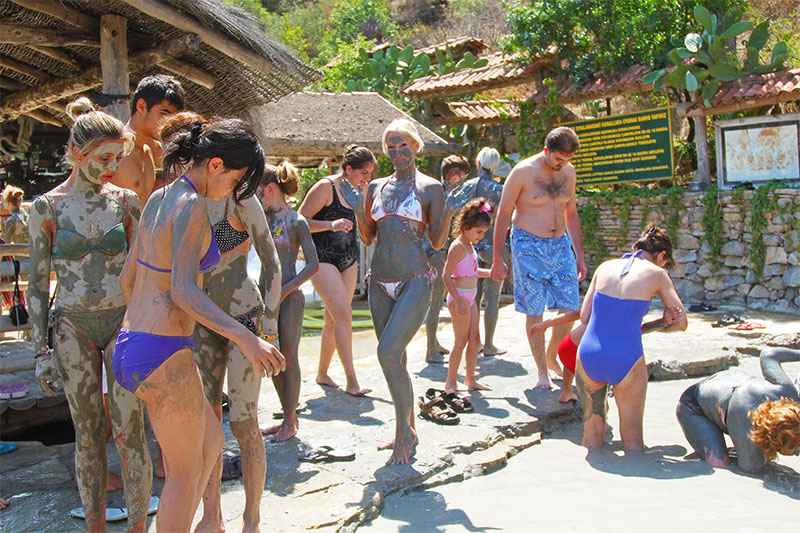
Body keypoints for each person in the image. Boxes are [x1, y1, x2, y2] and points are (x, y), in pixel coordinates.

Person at [113, 118, 285, 531]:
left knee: (210, 444)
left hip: (135, 342)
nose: (235, 191)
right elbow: (184, 291)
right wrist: (248, 338)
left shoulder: (159, 199)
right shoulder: (191, 206)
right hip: (161, 350)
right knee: (185, 477)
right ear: (215, 165)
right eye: (237, 180)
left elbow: (127, 280)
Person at [29, 98, 151, 532]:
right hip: (73, 324)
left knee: (131, 431)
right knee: (88, 434)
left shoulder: (126, 201)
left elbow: (145, 271)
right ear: (77, 154)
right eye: (104, 158)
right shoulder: (48, 207)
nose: (111, 167)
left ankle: (139, 525)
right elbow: (38, 283)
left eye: (117, 158)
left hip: (121, 320)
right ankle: (95, 526)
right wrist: (39, 351)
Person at [343, 119, 459, 464]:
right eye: (391, 147)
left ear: (416, 147)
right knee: (397, 358)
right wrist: (357, 202)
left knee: (387, 354)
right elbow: (367, 236)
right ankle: (403, 426)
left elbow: (438, 241)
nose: (397, 152)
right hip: (379, 280)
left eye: (403, 145)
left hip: (415, 279)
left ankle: (404, 436)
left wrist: (451, 207)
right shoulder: (376, 186)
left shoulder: (431, 188)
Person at [491, 127, 587, 390]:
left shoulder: (569, 172)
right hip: (527, 243)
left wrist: (579, 255)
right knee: (535, 309)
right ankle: (542, 371)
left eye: (567, 159)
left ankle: (551, 355)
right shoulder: (523, 172)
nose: (563, 164)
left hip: (559, 245)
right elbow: (502, 216)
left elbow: (571, 213)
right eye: (558, 159)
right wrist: (498, 258)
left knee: (570, 307)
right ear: (547, 151)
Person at [576, 225, 687, 452]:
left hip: (589, 354)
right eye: (665, 262)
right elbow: (681, 323)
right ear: (662, 255)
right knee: (633, 442)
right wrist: (659, 323)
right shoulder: (657, 274)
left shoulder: (605, 266)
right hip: (626, 358)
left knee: (591, 437)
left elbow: (584, 317)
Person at [298, 145, 375, 397]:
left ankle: (322, 373)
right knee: (343, 314)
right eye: (363, 172)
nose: (367, 178)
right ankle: (352, 380)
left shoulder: (357, 191)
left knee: (334, 318)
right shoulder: (325, 187)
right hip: (323, 258)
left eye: (370, 173)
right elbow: (298, 222)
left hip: (348, 257)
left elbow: (364, 230)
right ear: (348, 169)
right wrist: (330, 224)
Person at [261, 162, 319, 441]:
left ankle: (290, 419)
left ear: (270, 189)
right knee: (270, 356)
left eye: (259, 192)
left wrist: (285, 290)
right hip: (265, 299)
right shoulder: (260, 219)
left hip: (290, 298)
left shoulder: (296, 221)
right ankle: (286, 414)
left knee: (290, 355)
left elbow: (313, 265)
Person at [677, 348, 800, 473]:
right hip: (693, 406)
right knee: (720, 464)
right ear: (772, 440)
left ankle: (734, 446)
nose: (798, 454)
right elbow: (750, 468)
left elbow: (769, 355)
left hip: (723, 383)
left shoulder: (788, 392)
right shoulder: (748, 427)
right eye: (797, 449)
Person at [451, 147, 508, 357]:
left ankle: (473, 343)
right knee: (492, 298)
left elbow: (452, 206)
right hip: (494, 247)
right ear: (495, 166)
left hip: (469, 247)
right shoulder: (500, 190)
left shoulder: (467, 186)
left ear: (478, 163)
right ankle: (489, 345)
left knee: (472, 296)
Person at [443, 198, 493, 393]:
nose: (481, 236)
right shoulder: (457, 246)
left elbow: (472, 271)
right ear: (465, 226)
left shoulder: (470, 245)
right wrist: (457, 298)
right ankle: (450, 382)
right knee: (460, 341)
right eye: (478, 232)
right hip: (460, 298)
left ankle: (470, 379)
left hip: (470, 298)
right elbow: (446, 275)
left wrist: (491, 273)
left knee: (474, 340)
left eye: (483, 233)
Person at [425, 155, 470, 363]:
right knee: (434, 303)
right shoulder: (442, 195)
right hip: (435, 253)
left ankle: (433, 343)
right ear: (452, 175)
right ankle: (429, 350)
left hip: (438, 251)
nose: (461, 178)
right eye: (459, 174)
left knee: (437, 301)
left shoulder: (445, 193)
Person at [113, 75, 185, 202]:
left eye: (174, 117)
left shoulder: (158, 151)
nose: (169, 122)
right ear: (141, 106)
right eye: (164, 113)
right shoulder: (112, 152)